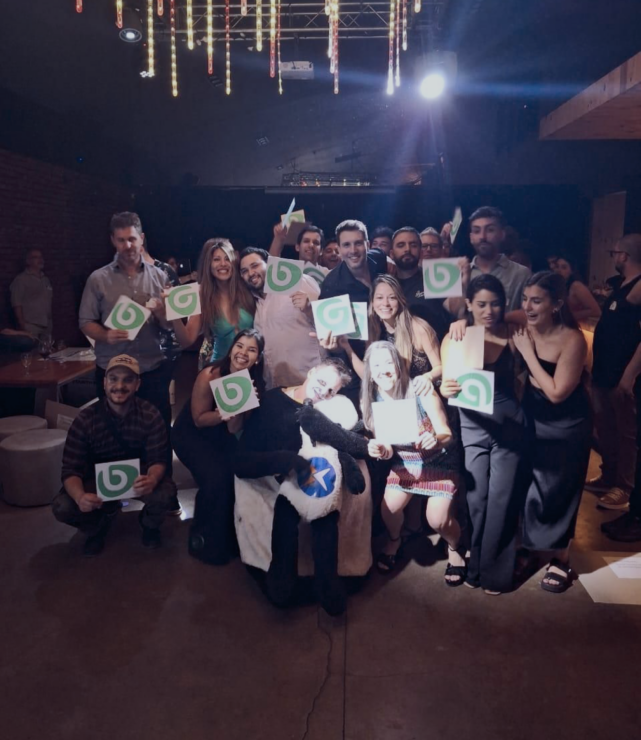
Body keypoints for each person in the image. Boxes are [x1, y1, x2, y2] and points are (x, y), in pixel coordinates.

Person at [234, 358, 371, 615]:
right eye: (321, 383)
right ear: (311, 372)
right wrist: (282, 461)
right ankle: (281, 580)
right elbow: (243, 459)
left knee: (325, 520)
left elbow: (354, 443)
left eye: (331, 390)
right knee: (285, 522)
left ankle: (327, 584)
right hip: (280, 474)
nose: (323, 392)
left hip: (317, 481)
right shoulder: (273, 402)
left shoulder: (332, 409)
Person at [441, 275, 525, 594]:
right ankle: (474, 565)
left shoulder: (513, 330)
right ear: (468, 305)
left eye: (495, 303)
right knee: (477, 499)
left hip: (509, 426)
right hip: (473, 425)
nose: (489, 310)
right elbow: (449, 383)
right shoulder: (457, 337)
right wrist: (445, 386)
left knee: (502, 500)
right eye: (481, 304)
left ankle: (495, 574)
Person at [361, 341, 465, 584]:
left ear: (398, 365)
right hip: (405, 462)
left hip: (439, 461)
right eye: (377, 365)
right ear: (370, 373)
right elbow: (386, 445)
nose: (384, 369)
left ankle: (454, 546)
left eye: (388, 362)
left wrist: (435, 439)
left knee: (437, 519)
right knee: (389, 509)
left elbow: (446, 433)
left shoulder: (420, 389)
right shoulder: (370, 399)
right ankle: (395, 539)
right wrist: (381, 449)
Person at [52, 355, 177, 556]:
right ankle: (96, 527)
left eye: (128, 380)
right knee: (63, 506)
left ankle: (149, 525)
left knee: (166, 493)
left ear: (138, 384)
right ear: (104, 382)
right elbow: (70, 469)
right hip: (97, 480)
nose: (119, 385)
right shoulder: (85, 419)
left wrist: (152, 479)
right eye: (113, 379)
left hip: (138, 477)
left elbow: (158, 458)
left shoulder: (151, 414)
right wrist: (80, 496)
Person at [513, 271, 591, 593]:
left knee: (560, 486)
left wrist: (529, 355)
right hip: (533, 416)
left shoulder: (572, 338)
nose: (528, 307)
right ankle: (532, 548)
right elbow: (484, 313)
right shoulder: (523, 323)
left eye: (537, 300)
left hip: (567, 425)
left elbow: (558, 393)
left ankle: (561, 557)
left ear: (556, 304)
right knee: (531, 484)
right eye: (525, 299)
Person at [78, 212, 174, 441]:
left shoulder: (160, 277)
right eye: (121, 240)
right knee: (111, 437)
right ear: (113, 240)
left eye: (132, 239)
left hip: (151, 370)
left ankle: (162, 477)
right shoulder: (97, 279)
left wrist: (163, 314)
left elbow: (170, 327)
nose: (128, 245)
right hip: (112, 372)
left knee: (158, 434)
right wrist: (105, 335)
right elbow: (85, 322)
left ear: (141, 238)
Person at [173, 329, 265, 564]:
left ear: (258, 357)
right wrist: (224, 412)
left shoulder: (253, 384)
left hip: (220, 433)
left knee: (238, 472)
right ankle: (202, 537)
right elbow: (198, 419)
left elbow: (234, 429)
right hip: (191, 433)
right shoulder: (210, 374)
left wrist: (239, 408)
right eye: (239, 346)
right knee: (216, 478)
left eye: (251, 349)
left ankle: (230, 535)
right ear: (231, 348)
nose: (243, 353)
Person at [588, 234, 641, 512]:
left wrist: (629, 376)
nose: (613, 257)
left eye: (614, 252)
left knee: (626, 434)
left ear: (625, 255)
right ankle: (609, 476)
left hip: (621, 376)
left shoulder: (639, 286)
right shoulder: (621, 286)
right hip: (603, 372)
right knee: (606, 427)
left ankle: (624, 486)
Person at [239, 247, 323, 388]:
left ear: (269, 264)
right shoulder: (254, 302)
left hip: (310, 383)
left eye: (255, 265)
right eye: (244, 271)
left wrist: (309, 308)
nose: (251, 273)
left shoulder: (298, 281)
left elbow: (330, 324)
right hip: (275, 386)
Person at [340, 275, 442, 388]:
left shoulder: (419, 328)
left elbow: (440, 367)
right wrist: (346, 347)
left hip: (423, 394)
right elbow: (368, 376)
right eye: (379, 298)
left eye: (392, 298)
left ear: (400, 300)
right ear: (372, 302)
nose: (385, 303)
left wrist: (427, 377)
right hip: (393, 397)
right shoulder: (373, 331)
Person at [170, 238, 255, 369]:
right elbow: (187, 340)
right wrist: (174, 313)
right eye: (216, 259)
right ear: (208, 264)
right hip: (219, 369)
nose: (223, 264)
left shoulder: (246, 286)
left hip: (251, 367)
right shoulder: (200, 295)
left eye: (227, 258)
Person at [389, 226, 454, 340]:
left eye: (413, 245)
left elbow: (457, 310)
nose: (407, 249)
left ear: (420, 251)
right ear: (391, 253)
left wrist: (462, 285)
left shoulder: (434, 276)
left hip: (436, 351)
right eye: (401, 245)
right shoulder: (386, 284)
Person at [468, 207, 531, 313]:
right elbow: (454, 314)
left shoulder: (521, 274)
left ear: (502, 234)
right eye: (477, 231)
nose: (482, 236)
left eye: (490, 230)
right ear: (471, 237)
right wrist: (463, 282)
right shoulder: (459, 274)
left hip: (508, 330)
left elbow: (529, 313)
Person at [10, 248, 53, 340]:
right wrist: (23, 326)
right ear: (28, 261)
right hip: (31, 325)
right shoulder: (21, 280)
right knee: (33, 352)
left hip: (46, 324)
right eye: (35, 257)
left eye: (41, 257)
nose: (40, 260)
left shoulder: (45, 279)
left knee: (47, 351)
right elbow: (17, 304)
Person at [553, 255, 601, 324]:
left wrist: (569, 316)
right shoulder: (558, 286)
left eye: (564, 267)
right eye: (557, 267)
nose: (559, 270)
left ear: (571, 271)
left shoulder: (576, 286)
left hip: (572, 328)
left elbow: (596, 311)